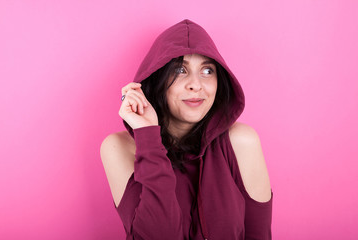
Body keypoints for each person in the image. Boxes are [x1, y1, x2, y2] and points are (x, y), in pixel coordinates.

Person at [100, 19, 272, 240]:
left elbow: (260, 236)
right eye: (180, 70)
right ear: (157, 78)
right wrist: (148, 138)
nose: (196, 84)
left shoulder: (241, 142)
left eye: (207, 70)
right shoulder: (119, 147)